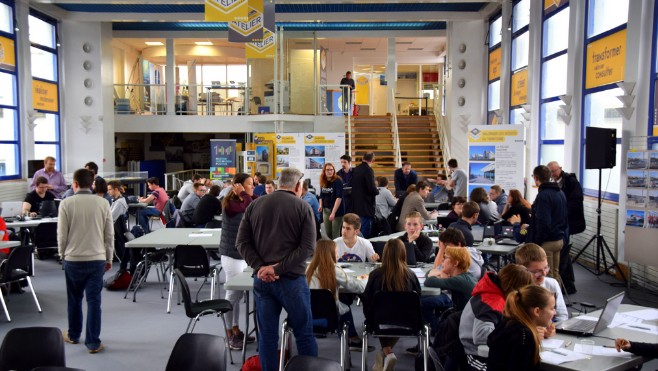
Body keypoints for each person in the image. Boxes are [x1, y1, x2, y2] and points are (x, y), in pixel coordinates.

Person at [236, 167, 317, 371]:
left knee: (267, 337)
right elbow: (307, 247)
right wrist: (278, 269)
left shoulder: (255, 205)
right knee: (304, 334)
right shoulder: (303, 207)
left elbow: (241, 243)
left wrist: (261, 267)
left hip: (262, 281)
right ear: (298, 186)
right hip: (291, 281)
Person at [58, 168, 114, 354]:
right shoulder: (103, 203)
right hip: (97, 259)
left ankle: (73, 335)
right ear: (92, 184)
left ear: (74, 184)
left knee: (74, 299)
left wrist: (62, 255)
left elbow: (62, 235)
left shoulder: (66, 204)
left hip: (73, 260)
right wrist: (109, 257)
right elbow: (109, 234)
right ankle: (93, 343)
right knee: (94, 301)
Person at [459, 264, 534, 371]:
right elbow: (481, 334)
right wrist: (514, 337)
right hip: (476, 356)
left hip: (491, 352)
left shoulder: (495, 292)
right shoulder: (492, 302)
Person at [362, 239, 422, 371]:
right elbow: (418, 300)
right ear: (403, 254)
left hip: (378, 321)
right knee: (399, 315)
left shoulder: (375, 275)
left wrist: (369, 317)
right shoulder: (411, 276)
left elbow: (367, 301)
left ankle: (386, 352)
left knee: (382, 317)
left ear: (385, 254)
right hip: (408, 322)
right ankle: (386, 353)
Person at [306, 240, 368, 351]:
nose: (338, 255)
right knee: (344, 306)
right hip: (330, 318)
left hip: (307, 316)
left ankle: (352, 339)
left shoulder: (308, 269)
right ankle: (351, 340)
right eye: (335, 252)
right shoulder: (333, 269)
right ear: (330, 254)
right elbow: (359, 288)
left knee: (341, 301)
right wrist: (365, 279)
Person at [219, 173, 258, 350]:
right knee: (232, 295)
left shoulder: (244, 200)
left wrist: (246, 193)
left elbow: (257, 201)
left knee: (239, 295)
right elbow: (250, 206)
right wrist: (243, 193)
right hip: (231, 256)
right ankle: (228, 333)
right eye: (249, 185)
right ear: (238, 186)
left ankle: (236, 329)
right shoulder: (231, 204)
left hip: (240, 256)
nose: (252, 187)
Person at [487, 285, 556, 371]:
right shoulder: (524, 335)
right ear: (537, 311)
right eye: (552, 308)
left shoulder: (509, 323)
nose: (555, 312)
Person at [547, 161, 585, 295]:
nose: (553, 174)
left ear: (560, 169)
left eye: (554, 171)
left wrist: (560, 212)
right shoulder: (556, 182)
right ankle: (567, 284)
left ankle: (567, 285)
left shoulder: (571, 182)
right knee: (563, 255)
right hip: (563, 222)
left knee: (563, 255)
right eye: (550, 172)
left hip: (568, 222)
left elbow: (576, 201)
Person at [526, 165, 568, 286]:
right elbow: (565, 217)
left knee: (546, 278)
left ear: (536, 177)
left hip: (547, 242)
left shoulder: (543, 196)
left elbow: (544, 223)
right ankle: (555, 301)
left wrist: (537, 242)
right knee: (555, 274)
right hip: (559, 239)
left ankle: (549, 303)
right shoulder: (560, 192)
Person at [422, 245, 477, 335]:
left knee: (422, 303)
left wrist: (440, 272)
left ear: (455, 263)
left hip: (465, 319)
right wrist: (441, 273)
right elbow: (430, 273)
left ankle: (438, 332)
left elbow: (429, 281)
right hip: (464, 314)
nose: (443, 260)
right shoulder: (466, 276)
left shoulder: (459, 280)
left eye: (446, 258)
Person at [515, 243, 568, 324]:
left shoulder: (552, 284)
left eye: (546, 267)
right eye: (537, 271)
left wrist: (552, 329)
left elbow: (562, 316)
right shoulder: (515, 290)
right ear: (522, 271)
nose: (544, 273)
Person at [107, 180, 135, 274]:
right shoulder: (118, 200)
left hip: (113, 231)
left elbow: (110, 219)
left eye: (110, 189)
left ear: (116, 189)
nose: (108, 192)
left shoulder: (119, 203)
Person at [349, 152, 379, 238]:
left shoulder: (356, 169)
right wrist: (377, 191)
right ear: (372, 161)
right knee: (365, 233)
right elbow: (371, 189)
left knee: (357, 230)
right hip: (366, 207)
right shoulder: (368, 170)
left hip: (355, 205)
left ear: (363, 158)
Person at [319, 162, 344, 240]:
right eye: (327, 170)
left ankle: (336, 251)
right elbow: (321, 196)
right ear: (324, 171)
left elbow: (339, 197)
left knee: (335, 234)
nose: (329, 171)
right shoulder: (323, 181)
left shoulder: (338, 181)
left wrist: (333, 213)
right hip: (326, 210)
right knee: (328, 233)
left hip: (336, 211)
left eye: (331, 170)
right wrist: (320, 205)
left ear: (334, 171)